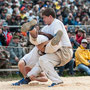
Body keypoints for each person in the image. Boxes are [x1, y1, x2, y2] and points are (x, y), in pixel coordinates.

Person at [13, 8, 73, 87]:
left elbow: (59, 34)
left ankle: (57, 81)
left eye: (44, 17)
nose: (43, 19)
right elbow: (39, 43)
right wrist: (43, 43)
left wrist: (48, 42)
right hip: (54, 51)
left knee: (53, 42)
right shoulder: (45, 28)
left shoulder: (57, 22)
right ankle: (27, 78)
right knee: (42, 58)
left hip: (64, 50)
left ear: (50, 16)